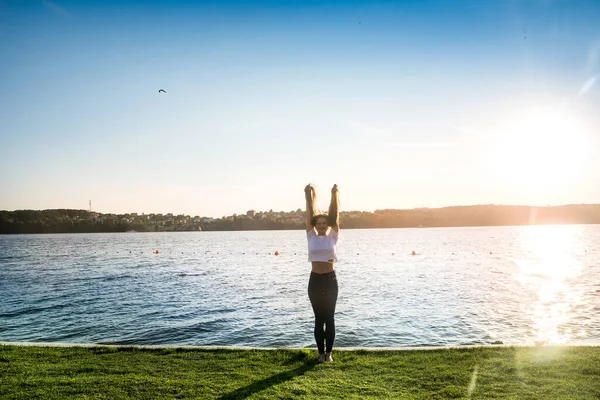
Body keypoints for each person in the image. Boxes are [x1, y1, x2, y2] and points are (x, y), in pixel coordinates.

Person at [304, 183, 340, 363]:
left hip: (330, 280)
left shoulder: (333, 236)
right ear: (315, 225)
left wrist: (334, 194)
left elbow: (335, 214)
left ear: (328, 225)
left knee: (330, 317)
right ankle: (320, 355)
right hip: (315, 280)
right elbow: (309, 215)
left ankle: (329, 354)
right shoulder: (310, 236)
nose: (321, 225)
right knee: (319, 318)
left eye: (324, 223)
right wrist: (308, 196)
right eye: (319, 223)